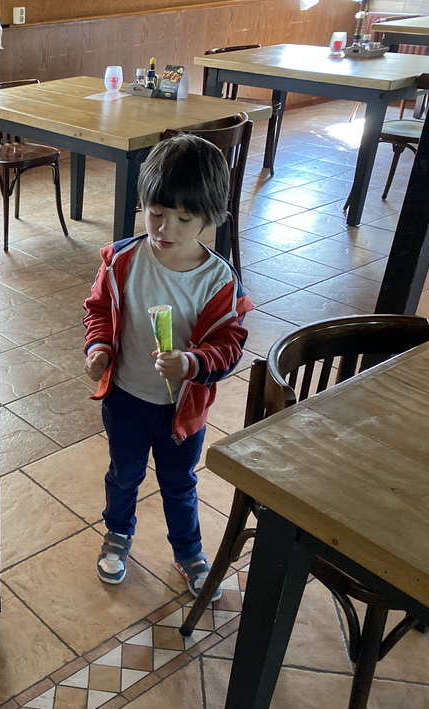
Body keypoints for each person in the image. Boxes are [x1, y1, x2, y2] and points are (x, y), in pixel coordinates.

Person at [82, 134, 254, 599]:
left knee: (179, 483)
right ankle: (118, 533)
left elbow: (231, 345)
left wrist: (192, 362)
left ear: (210, 217)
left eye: (184, 218)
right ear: (142, 204)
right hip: (126, 398)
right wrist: (97, 347)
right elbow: (98, 309)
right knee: (124, 473)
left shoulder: (218, 280)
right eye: (156, 213)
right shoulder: (121, 260)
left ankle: (189, 551)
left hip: (182, 410)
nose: (166, 229)